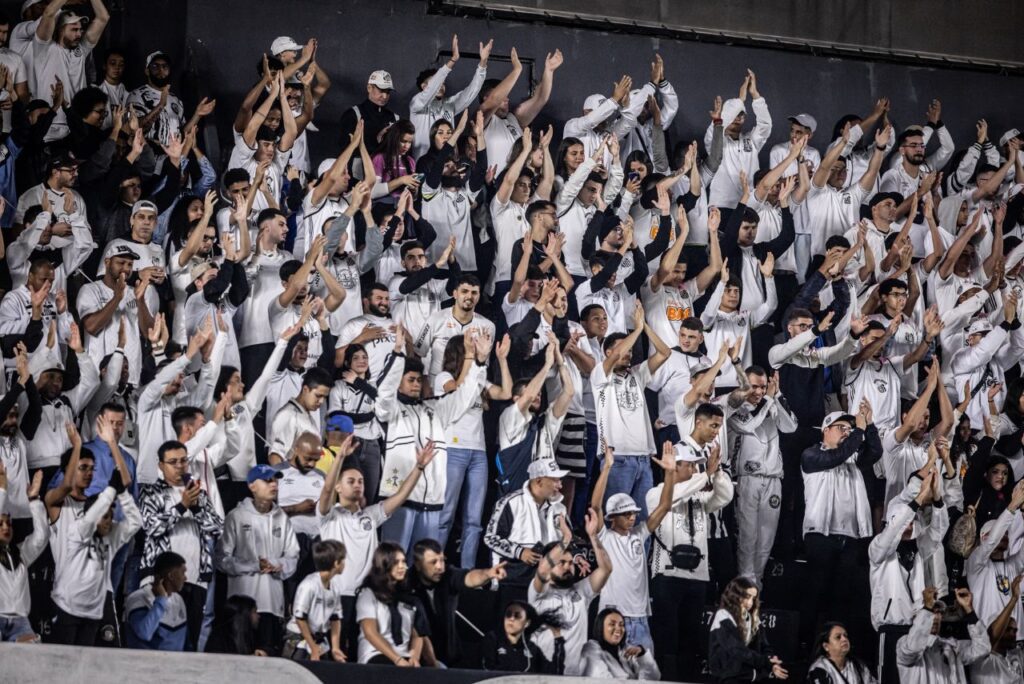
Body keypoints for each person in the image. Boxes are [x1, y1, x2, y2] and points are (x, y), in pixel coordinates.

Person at [317, 437, 436, 660]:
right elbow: (325, 490)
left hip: (365, 597)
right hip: (337, 595)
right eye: (351, 481)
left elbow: (400, 496)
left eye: (361, 481)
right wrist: (340, 457)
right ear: (339, 487)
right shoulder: (328, 516)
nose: (358, 485)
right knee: (336, 656)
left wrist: (419, 467)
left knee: (358, 655)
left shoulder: (370, 516)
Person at [374, 325, 491, 552]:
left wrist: (479, 362)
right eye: (411, 380)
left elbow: (464, 395)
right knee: (393, 562)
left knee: (423, 566)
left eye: (419, 380)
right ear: (399, 380)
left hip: (432, 502)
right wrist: (398, 353)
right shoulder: (391, 410)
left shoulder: (434, 409)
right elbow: (383, 392)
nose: (417, 384)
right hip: (399, 498)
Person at [648, 406, 734, 681]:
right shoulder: (656, 494)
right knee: (666, 640)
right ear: (676, 467)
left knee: (690, 643)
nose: (695, 470)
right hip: (668, 576)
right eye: (691, 466)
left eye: (697, 466)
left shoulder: (698, 495)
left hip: (697, 576)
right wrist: (704, 476)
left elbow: (725, 496)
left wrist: (716, 473)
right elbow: (674, 494)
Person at [589, 442, 677, 653]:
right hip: (612, 617)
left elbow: (664, 507)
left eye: (633, 513)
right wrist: (607, 468)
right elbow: (595, 507)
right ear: (612, 518)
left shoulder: (640, 533)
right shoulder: (604, 537)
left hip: (640, 619)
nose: (632, 517)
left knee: (647, 676)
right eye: (626, 514)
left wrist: (670, 473)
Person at [138, 440, 223, 651]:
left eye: (184, 461)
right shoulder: (150, 492)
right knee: (161, 641)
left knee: (190, 642)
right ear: (161, 466)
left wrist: (195, 509)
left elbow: (218, 529)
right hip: (160, 581)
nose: (179, 466)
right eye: (173, 462)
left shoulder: (199, 495)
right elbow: (151, 528)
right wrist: (181, 506)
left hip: (194, 579)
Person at [215, 464, 299, 657]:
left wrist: (277, 566)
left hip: (272, 604)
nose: (274, 485)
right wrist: (254, 565)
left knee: (268, 659)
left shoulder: (282, 518)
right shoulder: (236, 516)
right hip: (242, 607)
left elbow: (293, 555)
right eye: (268, 480)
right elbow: (221, 559)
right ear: (252, 486)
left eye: (276, 480)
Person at [529, 507, 612, 676]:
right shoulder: (538, 592)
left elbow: (606, 569)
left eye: (570, 562)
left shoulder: (582, 592)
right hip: (544, 675)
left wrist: (593, 536)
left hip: (575, 677)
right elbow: (543, 569)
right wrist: (566, 538)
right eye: (562, 562)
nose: (568, 566)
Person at [409, 538, 508, 667]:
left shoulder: (448, 574)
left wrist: (488, 574)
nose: (440, 567)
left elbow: (469, 578)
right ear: (418, 564)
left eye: (442, 560)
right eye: (433, 562)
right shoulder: (406, 583)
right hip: (417, 659)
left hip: (450, 654)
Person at [895, 586, 990, 682]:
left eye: (938, 612)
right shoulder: (904, 645)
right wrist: (927, 608)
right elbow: (913, 647)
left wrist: (969, 610)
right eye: (931, 612)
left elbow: (982, 649)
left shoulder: (951, 646)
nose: (935, 617)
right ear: (916, 618)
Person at [355, 541, 426, 665]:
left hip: (404, 656)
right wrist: (397, 659)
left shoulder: (410, 597)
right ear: (383, 564)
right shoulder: (368, 593)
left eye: (403, 561)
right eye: (396, 562)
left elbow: (418, 635)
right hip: (375, 654)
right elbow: (370, 632)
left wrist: (414, 657)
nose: (402, 566)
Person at [707, 576, 787, 682]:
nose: (750, 603)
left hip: (748, 674)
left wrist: (772, 663)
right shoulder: (723, 616)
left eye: (753, 598)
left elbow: (765, 646)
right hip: (728, 676)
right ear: (735, 595)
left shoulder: (753, 618)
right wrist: (766, 662)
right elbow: (736, 650)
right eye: (747, 597)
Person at [0, 466, 46, 643]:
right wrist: (2, 489)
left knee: (31, 653)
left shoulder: (20, 553)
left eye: (8, 524)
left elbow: (41, 537)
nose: (6, 527)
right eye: (0, 524)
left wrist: (34, 499)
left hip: (20, 621)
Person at [283, 539, 346, 661]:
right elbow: (300, 618)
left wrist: (335, 648)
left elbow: (335, 619)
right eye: (343, 560)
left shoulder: (335, 588)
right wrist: (313, 646)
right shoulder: (309, 585)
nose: (345, 563)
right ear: (336, 563)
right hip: (300, 639)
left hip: (319, 640)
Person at [124, 551, 188, 651]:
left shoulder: (178, 600)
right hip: (143, 663)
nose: (185, 578)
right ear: (171, 576)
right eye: (183, 573)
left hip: (173, 663)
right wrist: (161, 600)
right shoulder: (138, 598)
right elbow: (144, 634)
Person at [480, 600, 564, 673]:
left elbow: (554, 673)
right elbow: (487, 670)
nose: (511, 619)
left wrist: (558, 637)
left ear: (527, 623)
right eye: (508, 614)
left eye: (517, 616)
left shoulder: (532, 648)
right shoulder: (493, 639)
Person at [580, 607, 661, 679]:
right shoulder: (591, 650)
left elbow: (653, 679)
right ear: (600, 627)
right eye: (612, 624)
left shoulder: (625, 652)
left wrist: (642, 655)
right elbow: (603, 680)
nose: (618, 628)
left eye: (621, 625)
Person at [807, 622, 878, 684]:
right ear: (826, 646)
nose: (844, 639)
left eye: (846, 635)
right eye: (838, 637)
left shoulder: (858, 665)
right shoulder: (819, 670)